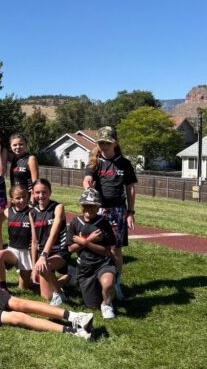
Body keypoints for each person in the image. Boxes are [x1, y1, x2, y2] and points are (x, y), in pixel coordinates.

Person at [82, 127, 137, 297]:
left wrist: (130, 212)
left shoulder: (124, 163)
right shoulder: (94, 162)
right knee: (95, 245)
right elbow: (87, 178)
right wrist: (88, 188)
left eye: (107, 142)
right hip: (98, 210)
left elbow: (130, 188)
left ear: (115, 143)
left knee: (115, 249)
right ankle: (95, 280)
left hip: (117, 210)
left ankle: (116, 282)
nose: (104, 146)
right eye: (101, 143)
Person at [67, 187, 118, 320]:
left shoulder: (104, 224)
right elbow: (70, 249)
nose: (88, 208)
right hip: (85, 267)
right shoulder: (75, 222)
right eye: (85, 205)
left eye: (92, 206)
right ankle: (78, 278)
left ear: (98, 207)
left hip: (102, 263)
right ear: (81, 205)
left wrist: (86, 243)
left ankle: (107, 304)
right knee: (91, 306)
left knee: (108, 283)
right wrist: (89, 240)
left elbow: (107, 253)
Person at [30, 178, 69, 305]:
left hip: (59, 252)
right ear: (33, 193)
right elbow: (34, 241)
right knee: (46, 296)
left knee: (45, 267)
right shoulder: (32, 213)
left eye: (44, 192)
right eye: (37, 192)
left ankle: (59, 293)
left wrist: (43, 256)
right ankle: (68, 277)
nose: (41, 196)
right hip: (43, 256)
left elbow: (54, 233)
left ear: (50, 192)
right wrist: (34, 267)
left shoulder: (58, 207)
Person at [0, 184, 35, 291]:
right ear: (12, 200)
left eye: (24, 197)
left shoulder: (32, 212)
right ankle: (3, 287)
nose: (22, 200)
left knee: (24, 288)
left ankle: (33, 281)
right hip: (12, 251)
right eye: (18, 198)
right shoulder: (8, 211)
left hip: (27, 253)